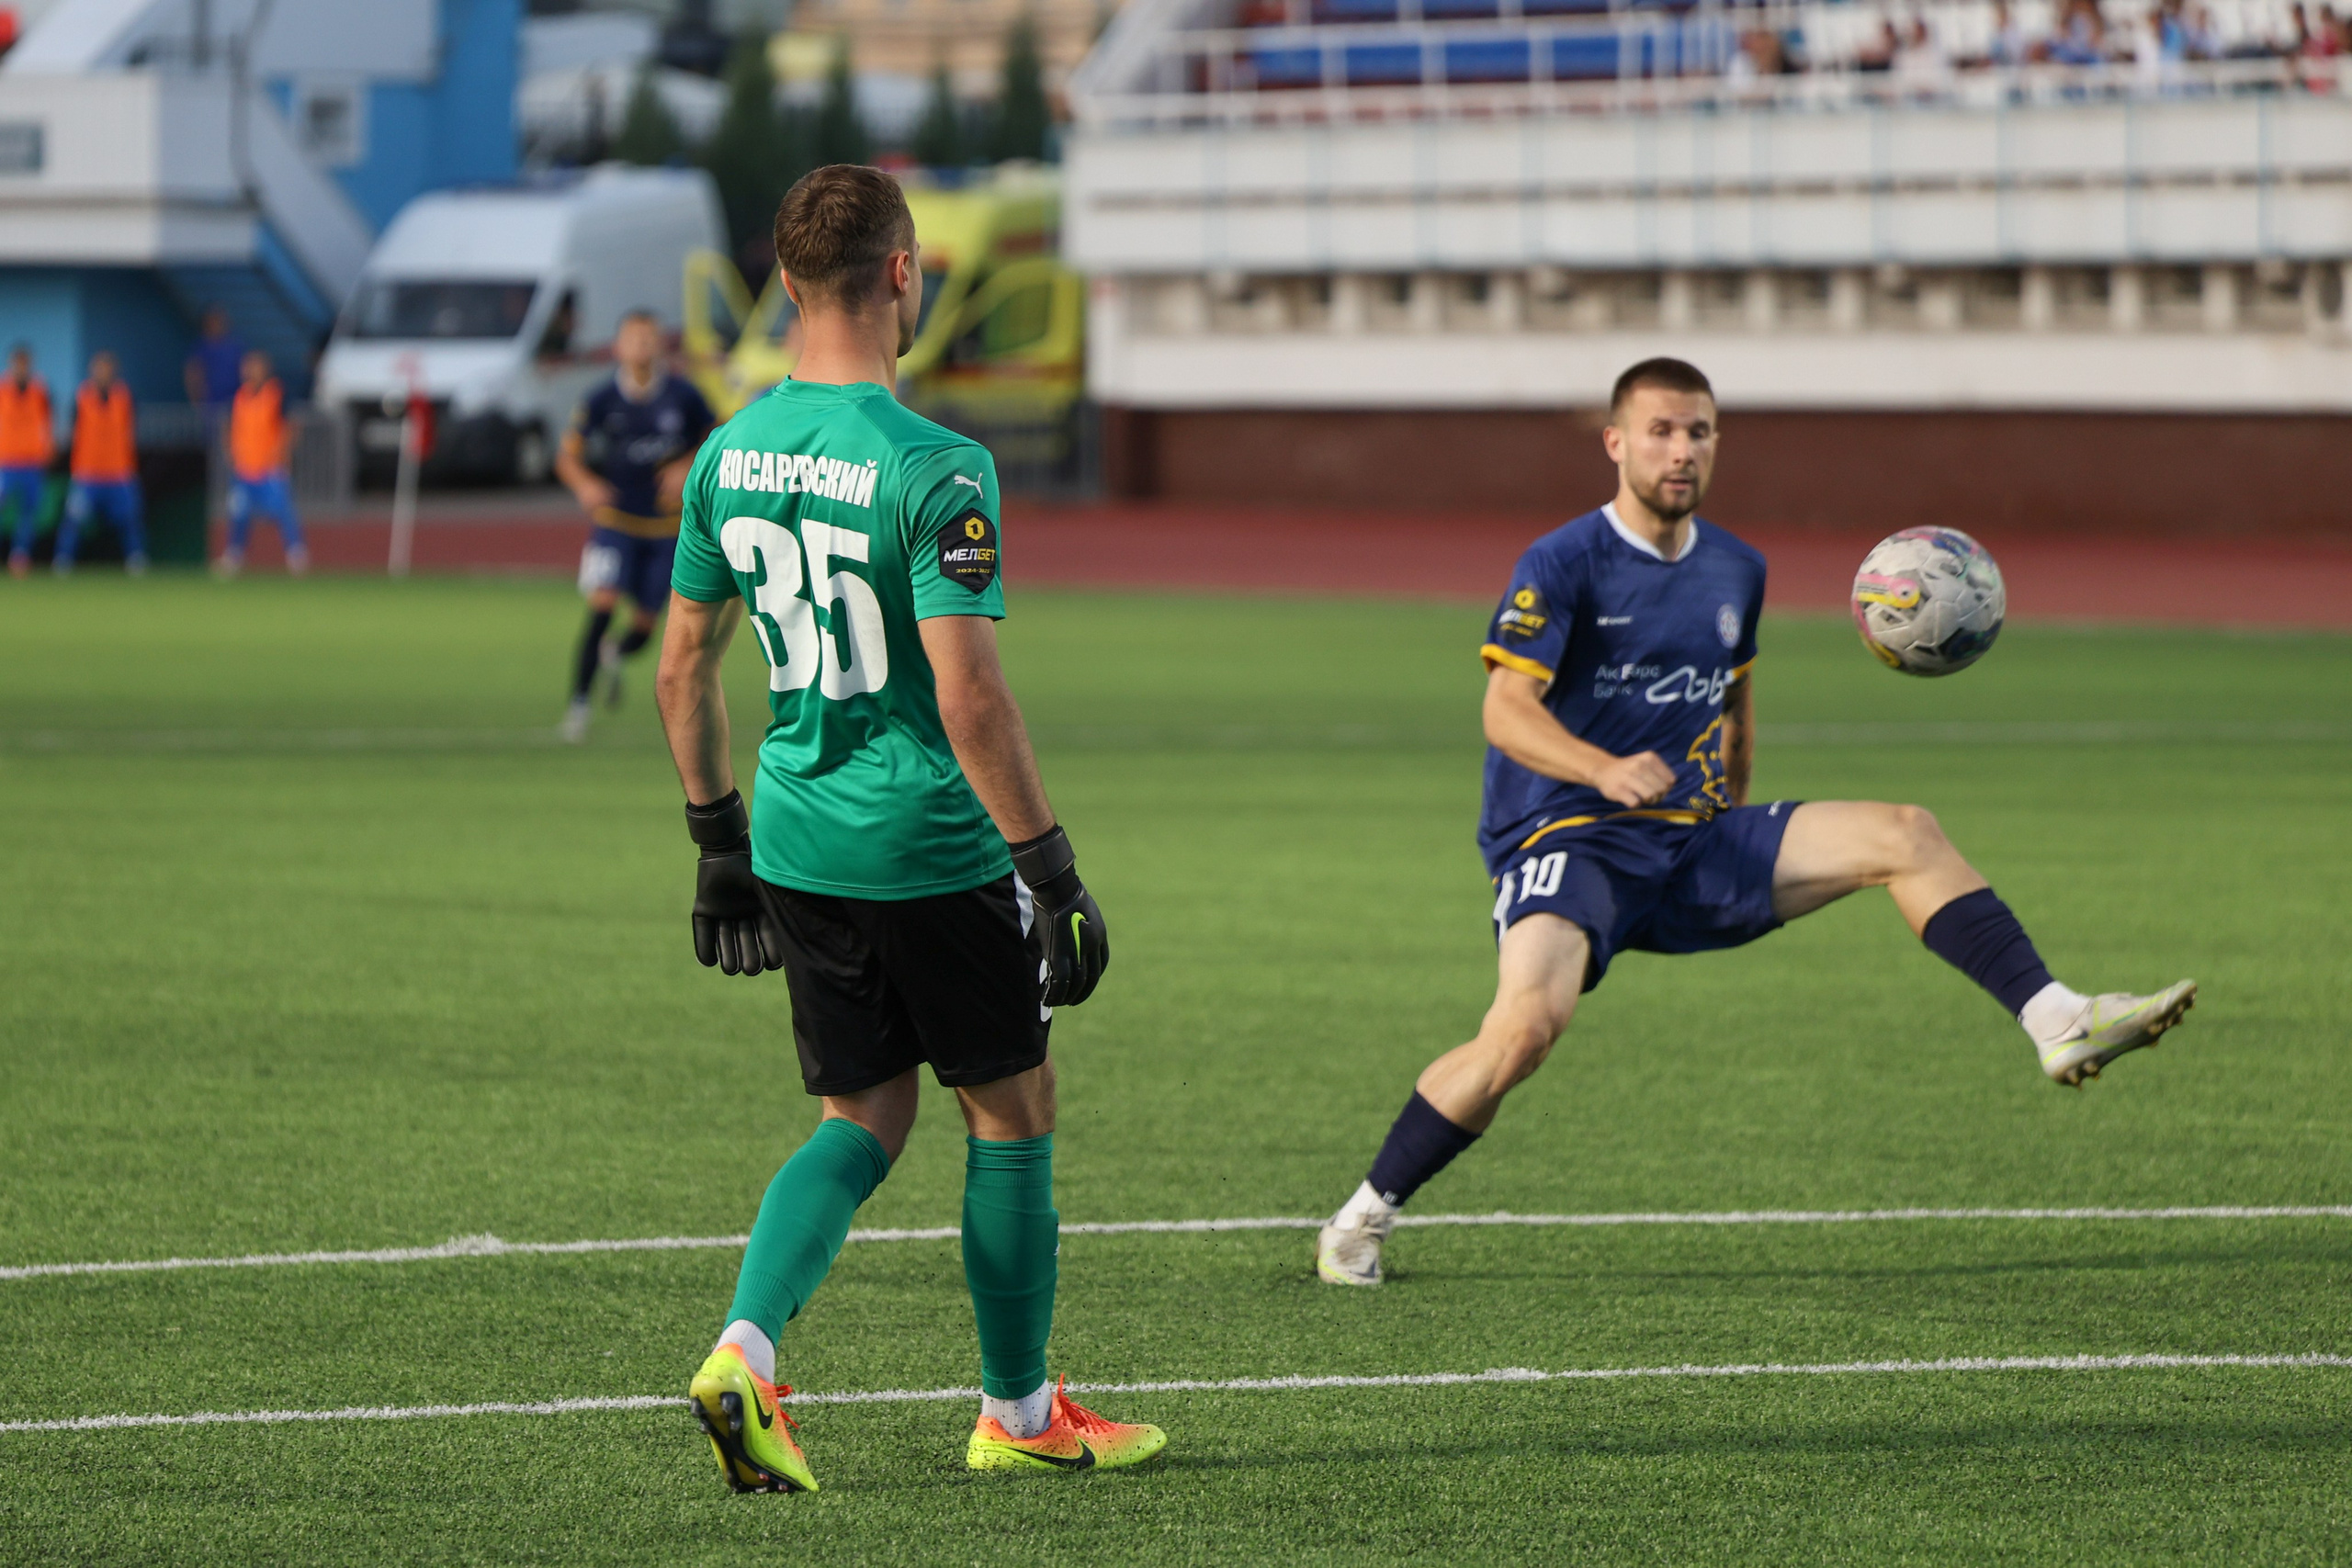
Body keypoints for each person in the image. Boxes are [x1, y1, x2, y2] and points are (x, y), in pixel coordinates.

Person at [1313, 357, 2198, 1288]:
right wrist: (1602, 769)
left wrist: (1734, 811)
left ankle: (2057, 1019)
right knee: (1524, 1032)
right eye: (1659, 430)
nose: (1681, 449)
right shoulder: (1564, 561)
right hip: (1568, 841)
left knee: (1905, 833)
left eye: (1698, 430)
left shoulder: (1738, 567)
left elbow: (1733, 708)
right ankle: (1360, 1221)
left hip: (1692, 839)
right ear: (1615, 443)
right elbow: (1505, 710)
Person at [658, 164, 1163, 1492]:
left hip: (794, 836)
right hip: (930, 842)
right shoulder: (938, 464)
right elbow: (970, 689)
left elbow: (681, 665)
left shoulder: (726, 450)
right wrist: (1049, 867)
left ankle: (747, 1352)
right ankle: (1017, 1406)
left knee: (861, 1110)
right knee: (1012, 1106)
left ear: (780, 281)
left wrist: (717, 839)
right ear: (902, 274)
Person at [553, 309, 716, 743]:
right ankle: (579, 706)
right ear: (619, 347)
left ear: (661, 344)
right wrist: (586, 485)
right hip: (616, 522)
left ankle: (615, 655)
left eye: (650, 338)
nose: (643, 346)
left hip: (667, 528)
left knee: (646, 626)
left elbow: (715, 436)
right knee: (602, 605)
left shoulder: (684, 396)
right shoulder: (601, 399)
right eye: (634, 339)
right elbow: (566, 457)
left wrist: (686, 464)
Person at [218, 349, 307, 577]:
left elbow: (293, 425)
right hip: (244, 467)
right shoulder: (238, 396)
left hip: (270, 467)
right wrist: (230, 450)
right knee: (239, 514)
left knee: (283, 512)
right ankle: (235, 554)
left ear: (265, 369)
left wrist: (284, 451)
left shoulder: (277, 394)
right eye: (247, 367)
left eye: (255, 366)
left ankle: (296, 553)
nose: (250, 371)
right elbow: (228, 425)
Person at [58, 350, 146, 575]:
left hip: (119, 472)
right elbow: (73, 432)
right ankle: (63, 560)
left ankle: (135, 559)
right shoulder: (82, 397)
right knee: (74, 520)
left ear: (115, 371)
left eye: (107, 369)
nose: (103, 373)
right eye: (99, 368)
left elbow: (131, 430)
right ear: (92, 371)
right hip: (87, 473)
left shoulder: (125, 396)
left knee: (130, 519)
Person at [2, 343, 54, 577]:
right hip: (6, 461)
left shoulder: (40, 390)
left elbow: (47, 422)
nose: (21, 367)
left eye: (25, 363)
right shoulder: (3, 388)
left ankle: (20, 557)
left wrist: (47, 450)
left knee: (29, 512)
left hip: (32, 462)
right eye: (18, 363)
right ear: (12, 363)